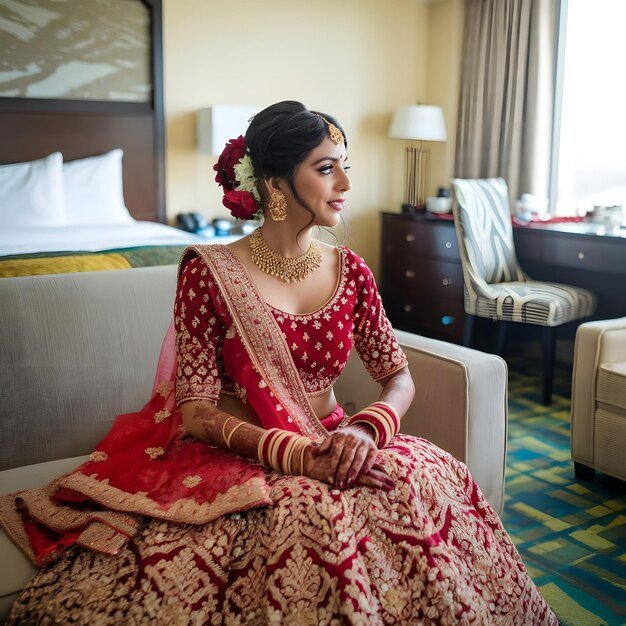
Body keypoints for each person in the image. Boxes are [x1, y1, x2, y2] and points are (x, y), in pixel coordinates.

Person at [1, 101, 557, 625]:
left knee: (421, 481)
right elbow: (195, 411)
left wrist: (365, 431)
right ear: (273, 183)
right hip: (243, 451)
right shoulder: (208, 271)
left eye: (346, 167)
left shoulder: (352, 271)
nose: (346, 184)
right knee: (310, 519)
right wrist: (298, 456)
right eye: (327, 169)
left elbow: (398, 377)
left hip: (336, 437)